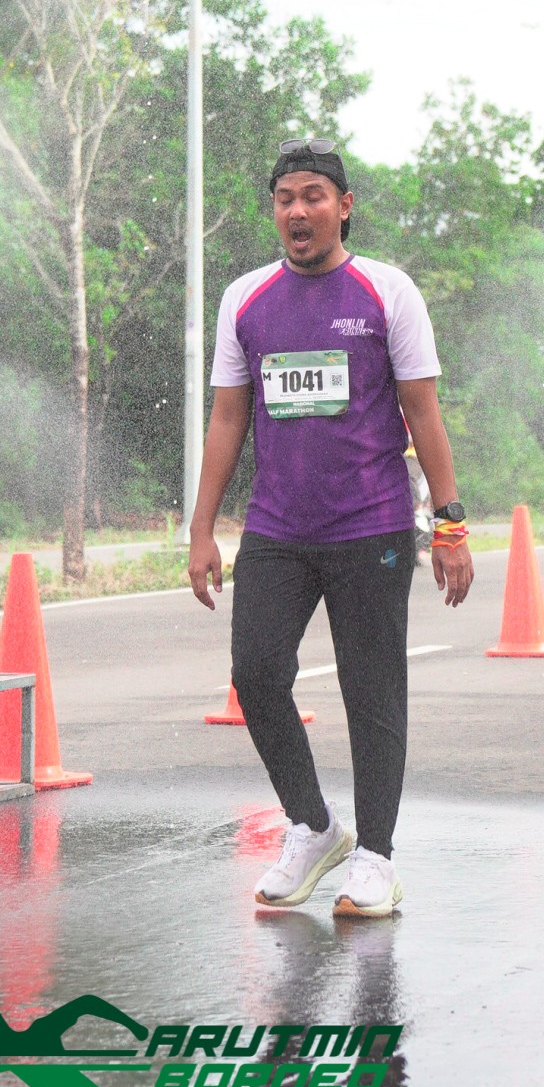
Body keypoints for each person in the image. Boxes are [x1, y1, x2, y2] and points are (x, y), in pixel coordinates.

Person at [187, 138, 474, 917]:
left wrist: (450, 526)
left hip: (372, 527)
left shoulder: (387, 292)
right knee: (255, 674)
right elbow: (227, 419)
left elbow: (423, 412)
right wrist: (202, 530)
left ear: (343, 207)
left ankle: (376, 857)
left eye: (313, 195)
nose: (298, 211)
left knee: (371, 691)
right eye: (285, 198)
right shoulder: (245, 299)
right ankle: (314, 827)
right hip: (277, 530)